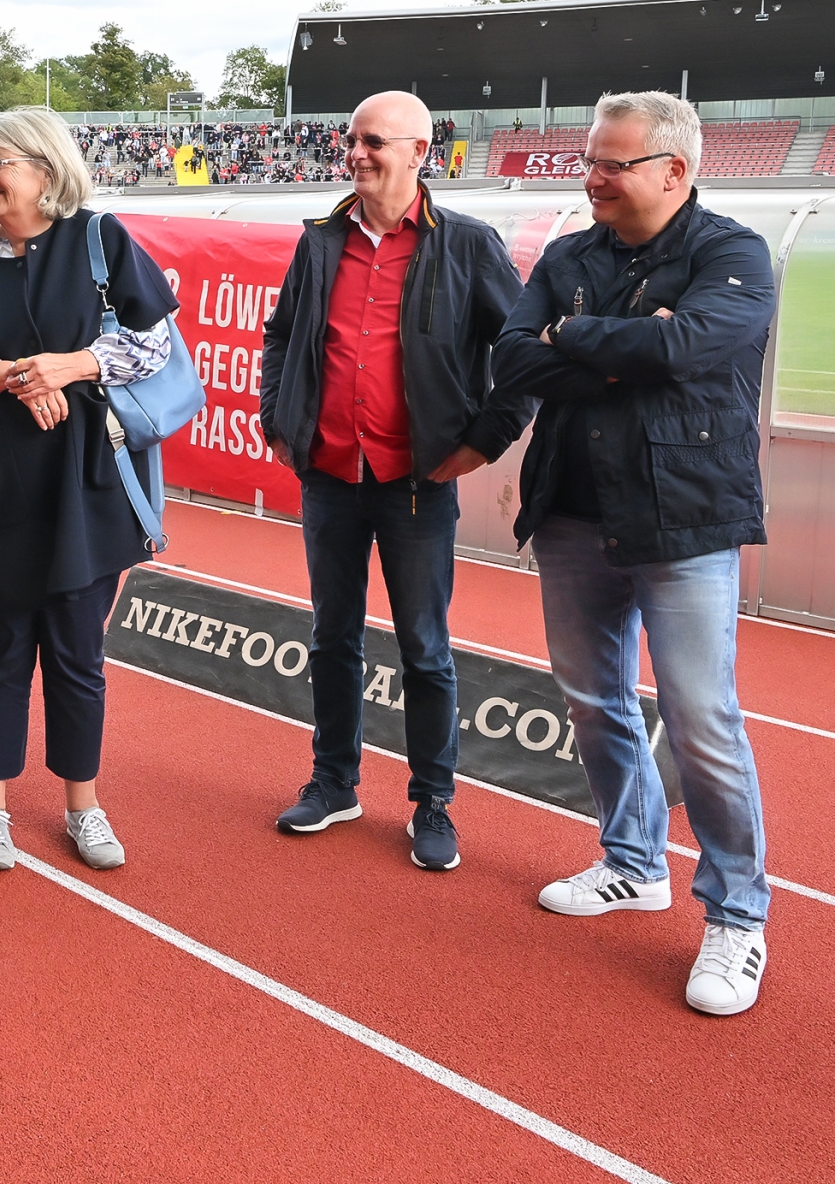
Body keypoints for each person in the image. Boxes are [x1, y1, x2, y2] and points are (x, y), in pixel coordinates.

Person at [494, 91, 776, 1016]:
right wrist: (629, 346)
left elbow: (689, 346)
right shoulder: (569, 254)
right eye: (590, 160)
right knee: (592, 700)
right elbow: (512, 358)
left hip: (684, 518)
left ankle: (737, 914)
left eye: (611, 164)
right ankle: (633, 861)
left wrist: (574, 337)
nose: (592, 178)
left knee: (701, 717)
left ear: (673, 170)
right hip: (573, 512)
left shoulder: (734, 253)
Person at [261, 90, 534, 871]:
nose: (356, 153)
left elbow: (523, 356)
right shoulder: (320, 241)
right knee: (332, 637)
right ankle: (333, 782)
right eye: (352, 139)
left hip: (417, 484)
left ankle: (432, 801)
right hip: (329, 476)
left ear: (420, 152)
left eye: (374, 141)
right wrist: (278, 418)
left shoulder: (467, 244)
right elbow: (281, 333)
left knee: (424, 648)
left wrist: (482, 442)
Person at [0, 108, 176, 872]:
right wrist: (6, 375)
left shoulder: (100, 240)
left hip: (86, 487)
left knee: (78, 653)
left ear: (45, 171)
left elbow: (152, 345)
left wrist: (68, 364)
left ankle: (82, 805)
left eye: (0, 163)